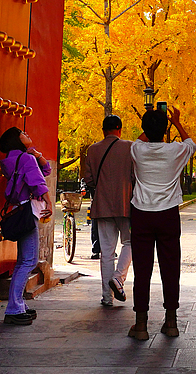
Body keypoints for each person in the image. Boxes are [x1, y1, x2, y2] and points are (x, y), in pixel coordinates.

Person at [127, 107, 196, 340]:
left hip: (142, 214)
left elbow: (141, 138)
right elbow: (191, 144)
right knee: (170, 267)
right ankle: (171, 321)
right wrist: (175, 122)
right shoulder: (176, 150)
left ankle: (141, 324)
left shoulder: (136, 149)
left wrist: (153, 126)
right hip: (168, 214)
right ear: (165, 130)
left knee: (142, 270)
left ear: (144, 129)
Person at [0, 127, 53, 326]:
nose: (27, 134)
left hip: (19, 210)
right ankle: (14, 307)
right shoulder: (26, 160)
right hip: (29, 212)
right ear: (17, 139)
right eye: (23, 133)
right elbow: (38, 181)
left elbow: (45, 170)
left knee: (23, 261)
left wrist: (36, 155)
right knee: (28, 261)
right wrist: (49, 202)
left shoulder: (15, 159)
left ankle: (18, 305)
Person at [82, 114, 134, 307]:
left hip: (102, 205)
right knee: (130, 242)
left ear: (103, 130)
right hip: (125, 204)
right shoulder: (129, 147)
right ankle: (118, 278)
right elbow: (135, 175)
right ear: (119, 129)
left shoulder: (93, 150)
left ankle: (106, 297)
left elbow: (89, 180)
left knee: (106, 251)